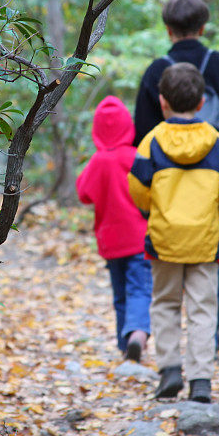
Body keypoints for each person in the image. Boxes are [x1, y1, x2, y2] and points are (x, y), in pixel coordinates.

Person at [133, 0, 219, 351]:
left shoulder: (156, 71)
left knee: (171, 249)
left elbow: (142, 133)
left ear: (167, 29)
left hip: (168, 182)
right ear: (203, 27)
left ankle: (171, 340)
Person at [129, 62, 219, 402]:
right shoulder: (217, 142)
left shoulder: (152, 142)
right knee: (202, 309)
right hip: (205, 242)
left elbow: (137, 185)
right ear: (200, 104)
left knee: (164, 304)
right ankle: (201, 381)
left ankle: (169, 371)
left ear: (162, 102)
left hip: (163, 241)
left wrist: (153, 208)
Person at [76, 96, 152, 362]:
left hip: (111, 242)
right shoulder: (136, 157)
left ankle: (124, 345)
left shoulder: (98, 161)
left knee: (120, 294)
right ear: (127, 126)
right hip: (139, 239)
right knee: (140, 289)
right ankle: (138, 334)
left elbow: (83, 193)